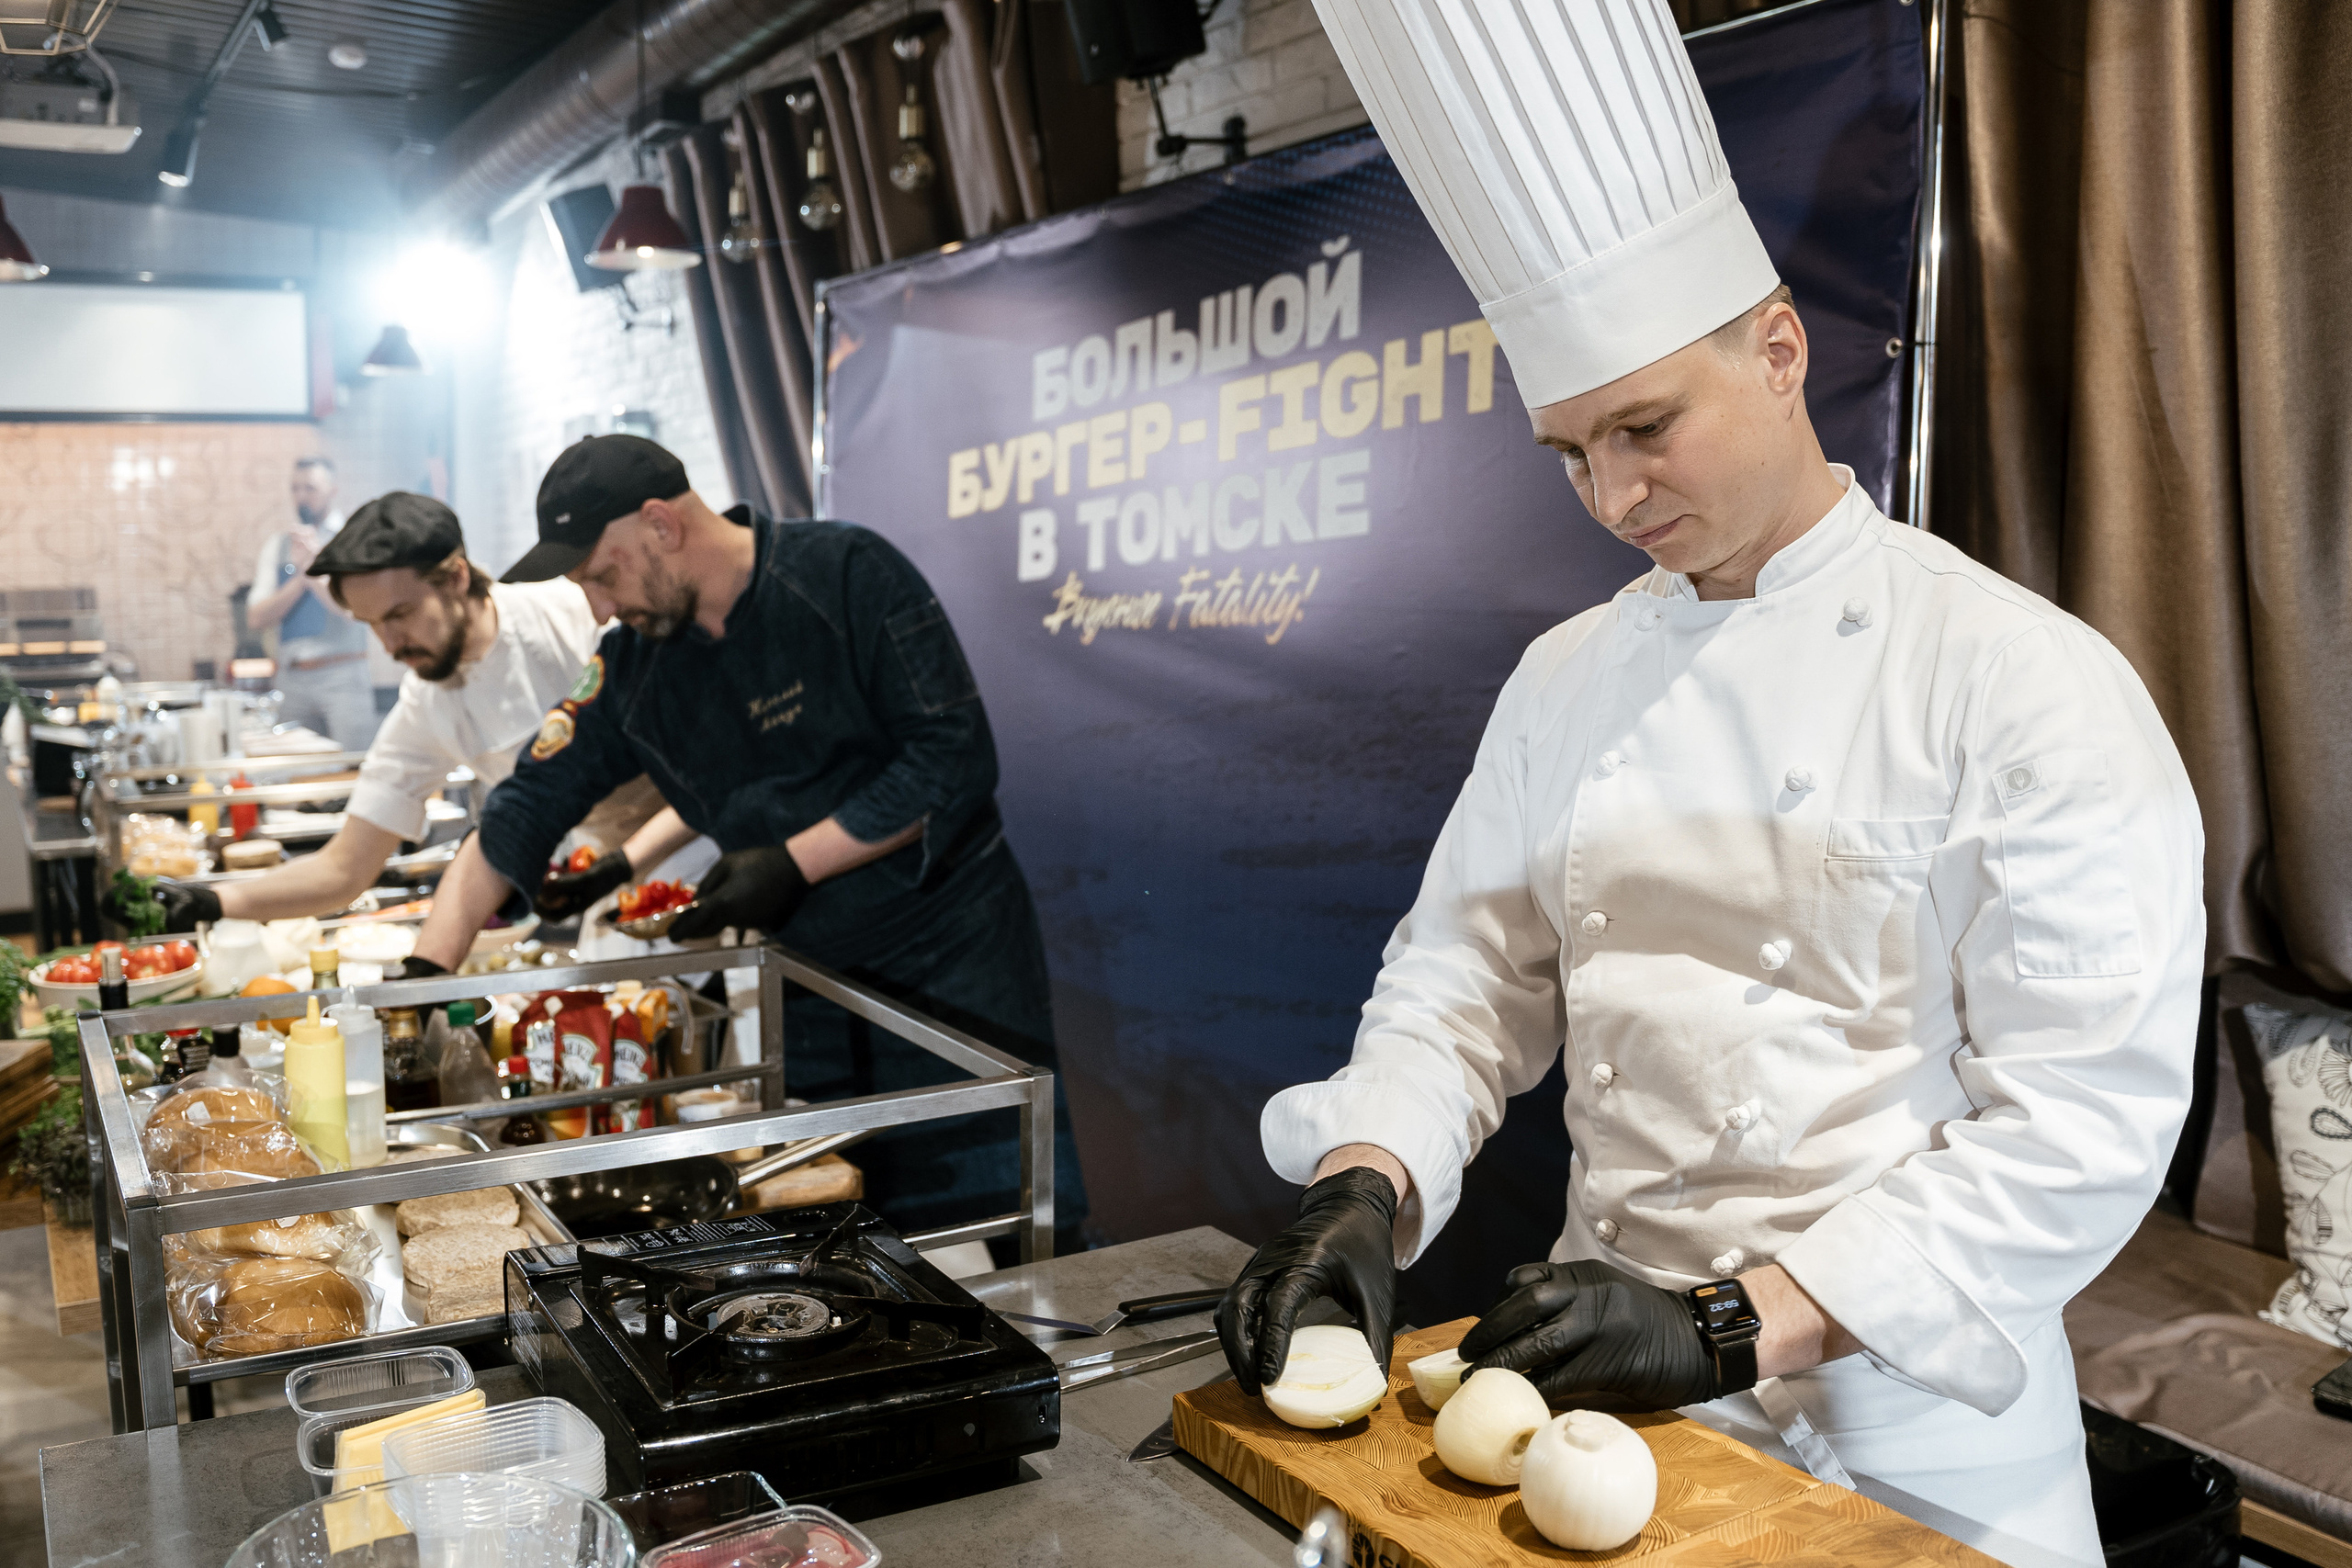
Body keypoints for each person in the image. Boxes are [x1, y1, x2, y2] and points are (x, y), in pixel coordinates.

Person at [1215, 3, 2203, 1564]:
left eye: (1644, 428)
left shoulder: (2020, 678)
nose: (1611, 495)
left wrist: (1745, 1321)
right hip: (1587, 1411)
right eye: (1567, 452)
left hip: (1907, 1433)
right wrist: (1369, 1174)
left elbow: (2081, 1123)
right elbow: (1467, 977)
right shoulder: (1565, 674)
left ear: (1783, 348)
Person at [404, 434, 1091, 1252]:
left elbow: (952, 758)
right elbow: (527, 800)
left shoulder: (844, 574)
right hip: (807, 972)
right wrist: (419, 983)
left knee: (1007, 1197)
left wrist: (792, 862)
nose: (597, 607)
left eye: (602, 573)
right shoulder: (635, 665)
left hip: (950, 951)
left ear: (661, 524)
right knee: (844, 1210)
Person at [129, 492, 692, 931]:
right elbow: (345, 869)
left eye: (400, 614)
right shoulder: (428, 700)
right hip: (599, 895)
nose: (389, 645)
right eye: (372, 624)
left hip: (698, 858)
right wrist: (213, 901)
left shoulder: (576, 617)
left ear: (456, 577)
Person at [247, 456, 379, 753]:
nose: (301, 496)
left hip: (344, 678)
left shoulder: (352, 540)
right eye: (295, 488)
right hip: (292, 680)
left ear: (332, 489)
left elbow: (356, 611)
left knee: (352, 765)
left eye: (310, 488)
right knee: (297, 771)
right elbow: (256, 618)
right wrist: (300, 580)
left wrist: (314, 570)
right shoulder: (278, 545)